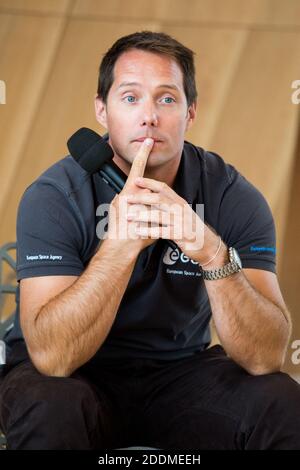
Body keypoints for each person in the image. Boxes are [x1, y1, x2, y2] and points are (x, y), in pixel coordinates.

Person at [0, 30, 300, 450]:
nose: (149, 116)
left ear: (190, 112)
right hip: (77, 374)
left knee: (281, 400)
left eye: (166, 99)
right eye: (129, 98)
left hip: (179, 374)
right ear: (101, 110)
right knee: (51, 403)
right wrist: (120, 247)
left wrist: (211, 253)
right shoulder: (54, 195)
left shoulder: (231, 195)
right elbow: (53, 358)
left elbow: (266, 356)